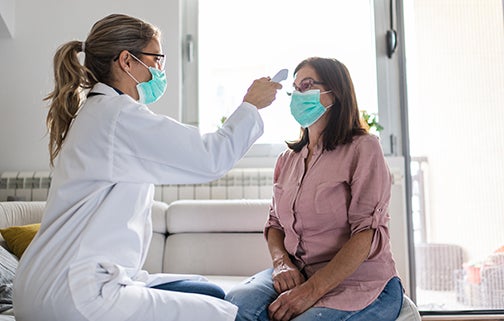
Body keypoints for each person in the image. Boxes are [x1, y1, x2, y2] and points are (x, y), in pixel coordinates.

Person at [13, 14, 281, 321]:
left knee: (209, 292)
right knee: (229, 314)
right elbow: (210, 159)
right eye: (157, 58)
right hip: (73, 294)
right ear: (127, 61)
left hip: (53, 283)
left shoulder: (102, 113)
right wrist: (250, 105)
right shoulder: (117, 118)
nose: (160, 70)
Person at [225, 57, 403, 321]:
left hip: (359, 282)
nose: (298, 95)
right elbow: (274, 224)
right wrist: (281, 263)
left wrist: (310, 292)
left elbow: (366, 234)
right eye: (294, 89)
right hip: (301, 273)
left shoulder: (363, 148)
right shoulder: (288, 159)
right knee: (235, 306)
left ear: (335, 92)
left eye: (306, 85)